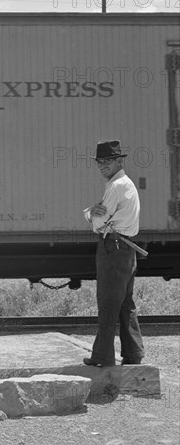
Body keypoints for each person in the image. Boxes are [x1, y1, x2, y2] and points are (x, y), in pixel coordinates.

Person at [82, 140, 145, 367]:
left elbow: (98, 223)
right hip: (126, 248)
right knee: (125, 303)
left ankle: (102, 356)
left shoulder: (116, 186)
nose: (102, 166)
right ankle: (133, 353)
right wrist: (94, 211)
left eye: (107, 161)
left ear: (119, 161)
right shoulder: (124, 184)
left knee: (108, 303)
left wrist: (90, 213)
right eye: (100, 162)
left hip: (113, 248)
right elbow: (101, 215)